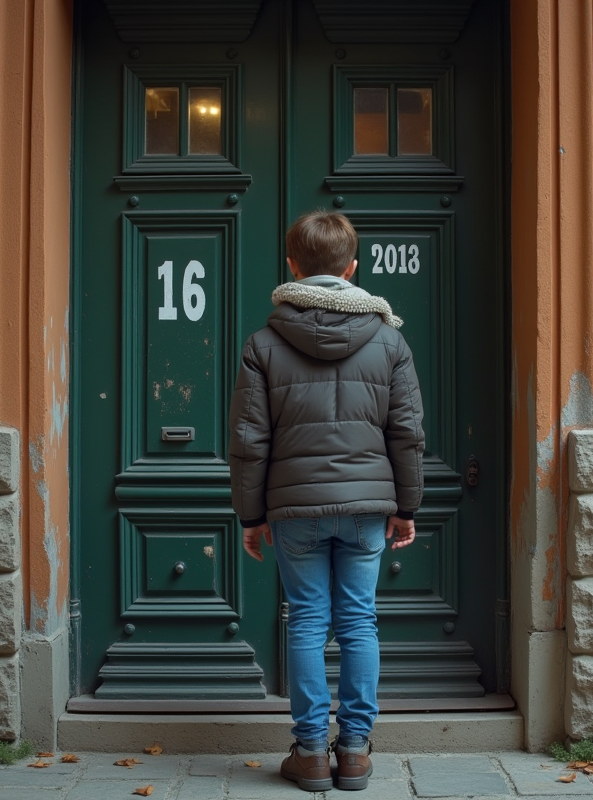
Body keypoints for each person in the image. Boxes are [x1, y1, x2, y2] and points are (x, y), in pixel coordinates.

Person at [228, 211, 425, 792]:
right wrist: (406, 507)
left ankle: (312, 753)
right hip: (367, 506)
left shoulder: (263, 343)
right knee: (359, 621)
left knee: (309, 621)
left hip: (294, 509)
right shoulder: (389, 339)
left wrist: (251, 515)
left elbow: (249, 439)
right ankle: (356, 753)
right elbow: (407, 432)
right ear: (351, 267)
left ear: (292, 266)